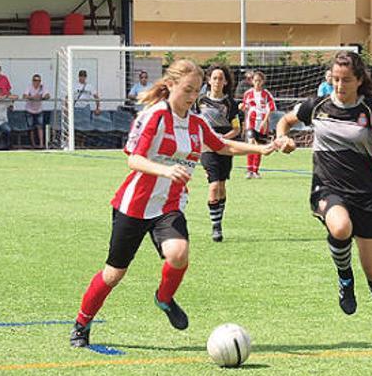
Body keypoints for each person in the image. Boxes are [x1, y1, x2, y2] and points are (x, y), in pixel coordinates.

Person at [69, 59, 274, 348]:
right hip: (134, 205)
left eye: (196, 91)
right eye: (187, 90)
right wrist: (165, 169)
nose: (192, 97)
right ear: (170, 85)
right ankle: (82, 322)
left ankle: (164, 299)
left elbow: (222, 146)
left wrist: (262, 147)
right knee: (113, 274)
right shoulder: (154, 116)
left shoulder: (196, 122)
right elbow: (133, 158)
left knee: (179, 253)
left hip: (169, 205)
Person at [274, 51, 372, 344]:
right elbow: (285, 121)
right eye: (335, 79)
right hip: (327, 187)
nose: (339, 85)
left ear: (359, 80)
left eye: (346, 80)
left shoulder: (371, 109)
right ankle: (344, 277)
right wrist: (283, 137)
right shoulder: (317, 105)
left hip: (365, 194)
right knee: (340, 227)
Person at [195, 64, 241, 242]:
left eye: (221, 78)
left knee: (221, 186)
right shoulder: (199, 102)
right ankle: (216, 227)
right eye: (214, 78)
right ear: (208, 80)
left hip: (225, 146)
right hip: (207, 147)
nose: (217, 81)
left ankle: (218, 219)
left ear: (226, 82)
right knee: (213, 185)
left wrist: (223, 139)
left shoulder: (231, 104)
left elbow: (237, 128)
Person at [241, 71, 276, 179]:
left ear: (262, 82)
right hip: (250, 122)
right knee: (251, 144)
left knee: (259, 147)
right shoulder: (248, 94)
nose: (257, 83)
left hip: (261, 123)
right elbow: (245, 108)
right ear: (252, 81)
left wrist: (265, 121)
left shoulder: (266, 94)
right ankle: (249, 170)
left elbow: (271, 108)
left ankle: (255, 170)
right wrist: (242, 108)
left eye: (259, 81)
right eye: (255, 80)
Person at [22, 74, 50, 149]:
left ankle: (41, 144)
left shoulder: (42, 87)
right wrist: (32, 97)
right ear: (32, 81)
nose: (36, 82)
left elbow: (47, 96)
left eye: (38, 80)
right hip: (29, 109)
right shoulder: (29, 87)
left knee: (40, 127)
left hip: (39, 109)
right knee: (31, 128)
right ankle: (33, 144)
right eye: (35, 80)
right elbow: (24, 96)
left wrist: (42, 97)